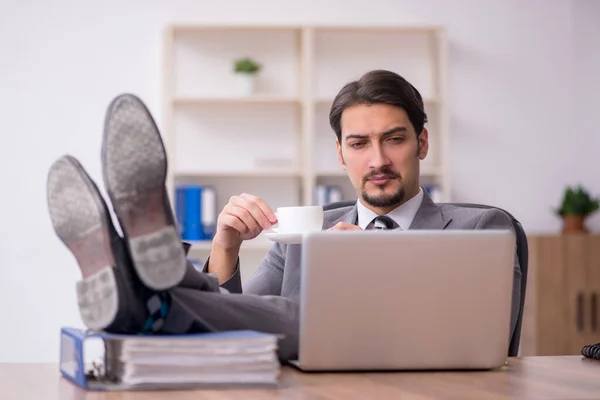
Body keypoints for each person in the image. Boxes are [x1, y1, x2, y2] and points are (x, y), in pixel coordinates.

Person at [46, 70, 521, 362]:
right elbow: (235, 319)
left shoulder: (482, 229)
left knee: (298, 315)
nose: (377, 159)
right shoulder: (308, 228)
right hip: (310, 387)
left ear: (421, 143)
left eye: (394, 139)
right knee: (271, 313)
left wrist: (369, 273)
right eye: (359, 143)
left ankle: (145, 286)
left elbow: (488, 342)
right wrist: (225, 246)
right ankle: (152, 294)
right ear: (340, 153)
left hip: (411, 381)